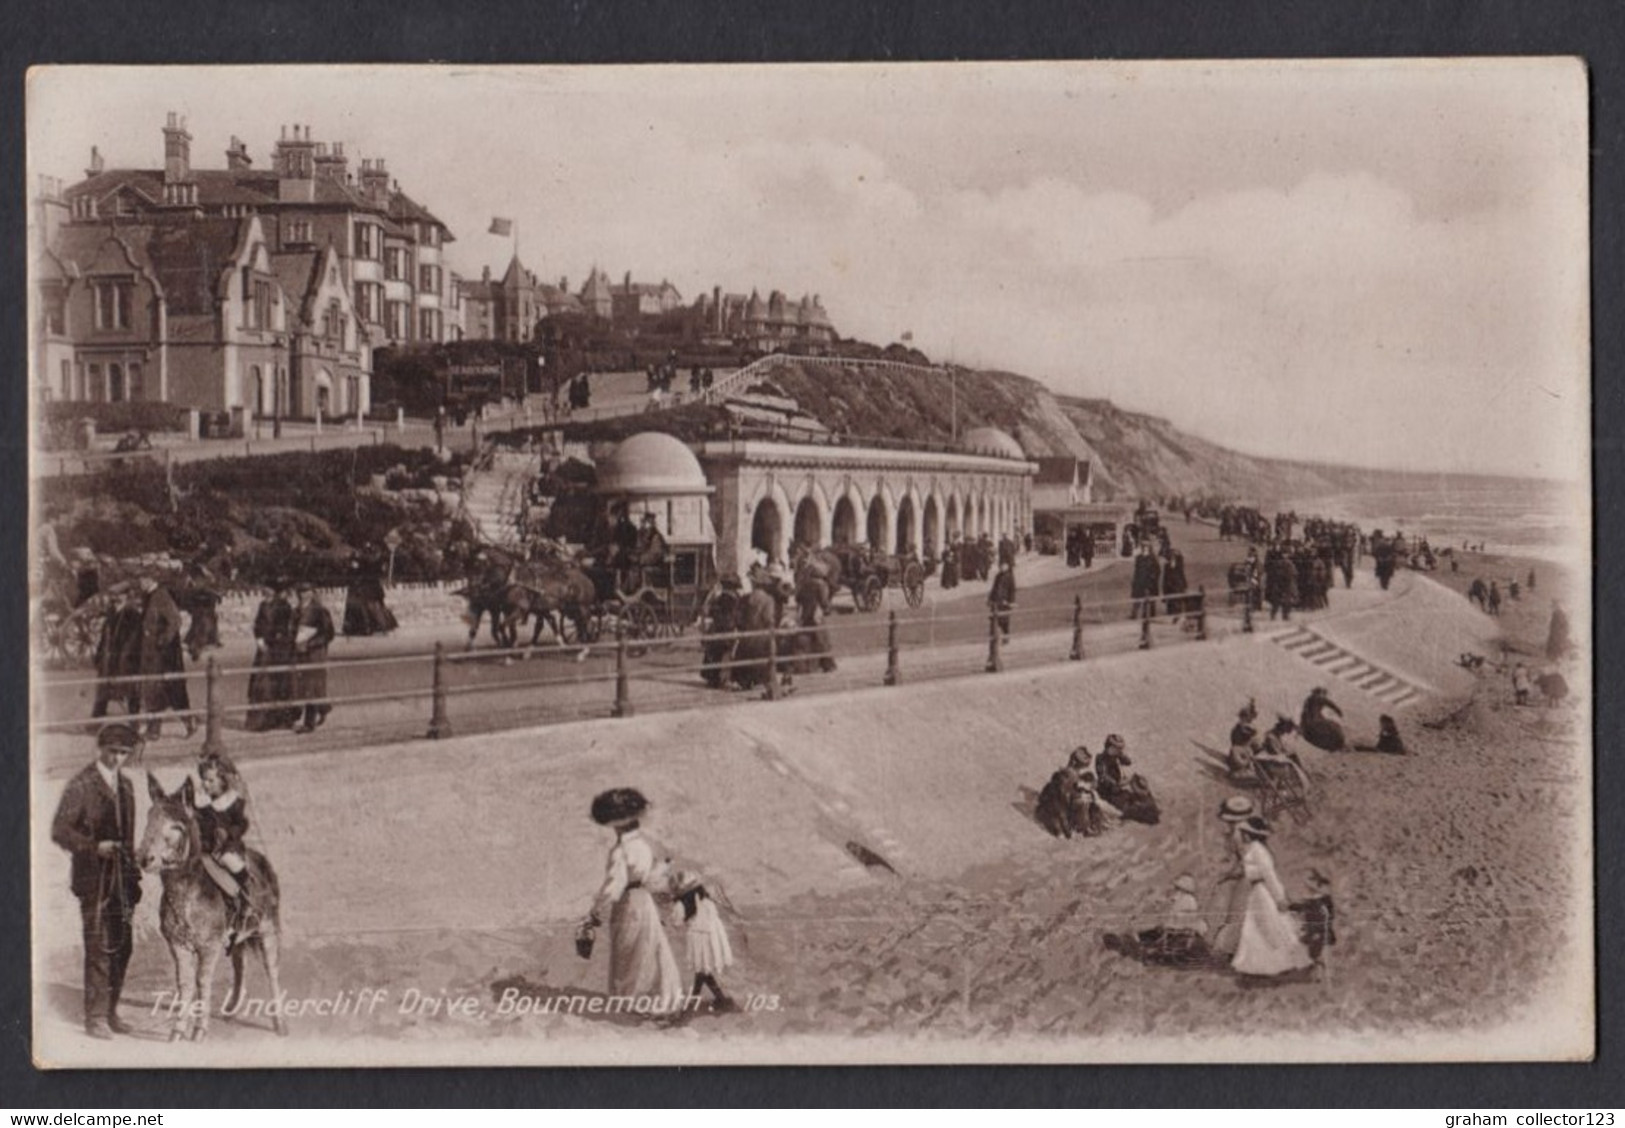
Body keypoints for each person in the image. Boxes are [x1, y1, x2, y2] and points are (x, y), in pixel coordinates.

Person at [51, 723, 144, 1038]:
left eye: (124, 753)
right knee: (99, 945)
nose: (118, 759)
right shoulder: (82, 785)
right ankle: (95, 1018)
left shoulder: (128, 786)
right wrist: (94, 848)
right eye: (113, 752)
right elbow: (60, 831)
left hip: (122, 879)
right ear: (100, 749)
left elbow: (128, 837)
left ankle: (111, 1010)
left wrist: (133, 872)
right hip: (94, 878)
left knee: (124, 945)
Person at [582, 788, 686, 1013]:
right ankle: (658, 998)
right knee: (649, 947)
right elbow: (651, 877)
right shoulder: (643, 845)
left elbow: (613, 887)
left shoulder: (621, 850)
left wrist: (595, 910)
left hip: (628, 902)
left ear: (616, 824)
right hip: (644, 901)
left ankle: (630, 1001)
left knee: (628, 951)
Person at [1231, 816, 1315, 978]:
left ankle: (1280, 963)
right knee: (1258, 926)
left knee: (1270, 925)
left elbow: (1269, 876)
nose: (1240, 836)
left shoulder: (1258, 850)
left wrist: (1279, 898)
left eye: (1242, 833)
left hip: (1263, 891)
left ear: (1248, 834)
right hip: (1256, 891)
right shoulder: (1252, 849)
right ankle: (1257, 965)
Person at [193, 753, 257, 946]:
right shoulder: (203, 805)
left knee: (229, 861)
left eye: (210, 780)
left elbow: (242, 824)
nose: (206, 784)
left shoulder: (233, 802)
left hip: (229, 847)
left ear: (221, 780)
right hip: (207, 849)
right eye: (203, 780)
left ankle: (246, 900)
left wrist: (229, 836)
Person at [1103, 874, 1211, 968]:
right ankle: (1135, 942)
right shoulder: (1181, 899)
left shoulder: (1187, 900)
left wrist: (1167, 920)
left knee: (1156, 934)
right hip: (1176, 928)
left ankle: (1137, 946)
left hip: (1177, 930)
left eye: (1177, 888)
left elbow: (1182, 919)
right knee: (1153, 931)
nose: (1175, 890)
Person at [135, 574, 193, 740]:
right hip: (150, 654)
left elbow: (175, 620)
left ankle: (190, 722)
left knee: (173, 690)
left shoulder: (161, 595)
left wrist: (162, 640)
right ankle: (154, 730)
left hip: (163, 655)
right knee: (152, 691)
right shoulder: (148, 597)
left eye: (142, 579)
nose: (140, 582)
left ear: (151, 580)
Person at [669, 869, 736, 1012]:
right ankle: (713, 998)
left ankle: (709, 1000)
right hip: (712, 935)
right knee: (702, 971)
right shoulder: (705, 899)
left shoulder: (681, 905)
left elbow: (676, 923)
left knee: (702, 970)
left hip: (699, 938)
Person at [1209, 796, 1258, 962]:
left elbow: (1245, 862)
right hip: (1248, 876)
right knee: (1239, 914)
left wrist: (1226, 876)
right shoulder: (1245, 832)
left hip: (1248, 877)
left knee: (1237, 913)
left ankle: (1229, 950)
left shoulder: (1239, 835)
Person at [246, 583, 300, 732]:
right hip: (264, 649)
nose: (265, 591)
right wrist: (259, 639)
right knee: (261, 684)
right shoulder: (262, 605)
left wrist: (270, 641)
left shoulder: (283, 606)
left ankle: (279, 720)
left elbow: (282, 629)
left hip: (279, 650)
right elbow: (257, 625)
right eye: (264, 589)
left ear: (275, 591)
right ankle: (259, 721)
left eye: (269, 589)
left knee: (278, 684)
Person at [91, 584, 144, 719]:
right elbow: (104, 638)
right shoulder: (111, 615)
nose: (115, 601)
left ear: (126, 598)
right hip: (109, 660)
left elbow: (134, 640)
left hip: (127, 660)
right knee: (103, 692)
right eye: (114, 598)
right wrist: (99, 655)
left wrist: (126, 656)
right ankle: (96, 720)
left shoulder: (133, 615)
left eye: (119, 597)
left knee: (131, 692)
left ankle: (134, 721)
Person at [292, 583, 336, 733]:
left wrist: (310, 643)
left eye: (305, 591)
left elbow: (329, 634)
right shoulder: (296, 611)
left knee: (311, 687)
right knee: (307, 686)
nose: (302, 594)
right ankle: (323, 707)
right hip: (300, 653)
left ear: (312, 593)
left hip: (315, 654)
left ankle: (308, 724)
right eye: (300, 591)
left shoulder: (320, 611)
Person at [988, 561, 1016, 639]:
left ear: (1007, 566)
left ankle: (1006, 636)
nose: (1001, 567)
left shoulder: (1010, 577)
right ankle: (994, 637)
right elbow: (994, 588)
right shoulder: (998, 576)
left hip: (1004, 601)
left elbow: (1012, 590)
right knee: (994, 619)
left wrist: (1011, 601)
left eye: (1003, 565)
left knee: (1005, 620)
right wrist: (990, 599)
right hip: (997, 601)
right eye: (1000, 566)